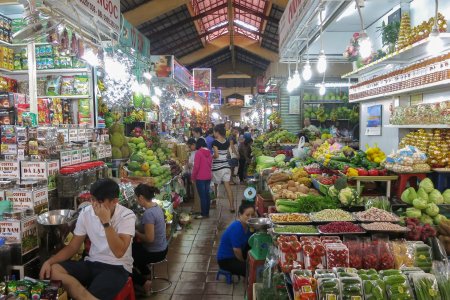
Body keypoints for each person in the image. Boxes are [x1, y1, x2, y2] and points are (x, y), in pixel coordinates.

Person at [39, 179, 136, 300]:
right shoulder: (86, 213)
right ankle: (83, 295)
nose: (94, 205)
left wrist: (106, 222)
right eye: (92, 200)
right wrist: (49, 261)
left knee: (92, 293)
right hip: (92, 263)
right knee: (54, 270)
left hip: (117, 267)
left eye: (99, 202)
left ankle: (84, 295)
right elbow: (73, 247)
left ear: (114, 202)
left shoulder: (126, 216)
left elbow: (119, 252)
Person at [132, 184, 167, 293]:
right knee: (135, 248)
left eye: (136, 198)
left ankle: (143, 282)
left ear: (141, 197)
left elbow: (149, 239)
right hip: (163, 248)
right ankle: (146, 274)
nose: (136, 201)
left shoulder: (149, 213)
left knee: (127, 258)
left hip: (156, 253)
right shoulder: (156, 207)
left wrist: (135, 232)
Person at [217, 202, 255, 276]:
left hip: (237, 254)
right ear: (240, 215)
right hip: (226, 260)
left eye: (252, 215)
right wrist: (243, 262)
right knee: (250, 270)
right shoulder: (236, 227)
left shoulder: (248, 226)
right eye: (247, 215)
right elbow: (236, 250)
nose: (250, 218)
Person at [212, 124, 236, 212]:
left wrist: (211, 156)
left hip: (217, 167)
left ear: (217, 132)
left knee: (214, 186)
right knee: (228, 187)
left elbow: (217, 155)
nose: (214, 133)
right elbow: (227, 154)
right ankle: (232, 206)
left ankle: (214, 202)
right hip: (226, 166)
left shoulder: (215, 142)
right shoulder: (226, 141)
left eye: (214, 132)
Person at [192, 138, 213, 219]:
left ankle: (204, 214)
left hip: (200, 177)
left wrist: (193, 177)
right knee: (207, 195)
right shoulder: (209, 152)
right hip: (208, 176)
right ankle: (206, 212)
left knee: (203, 196)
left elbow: (196, 167)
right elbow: (210, 164)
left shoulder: (198, 153)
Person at [185, 138, 201, 214]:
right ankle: (196, 207)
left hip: (196, 175)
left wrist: (190, 164)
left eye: (189, 146)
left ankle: (197, 209)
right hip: (193, 174)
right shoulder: (192, 152)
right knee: (196, 192)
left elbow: (197, 164)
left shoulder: (197, 152)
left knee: (197, 193)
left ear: (194, 145)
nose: (189, 148)